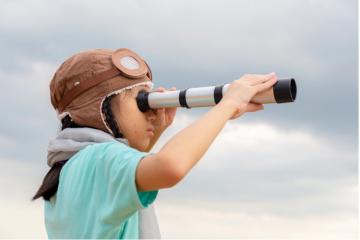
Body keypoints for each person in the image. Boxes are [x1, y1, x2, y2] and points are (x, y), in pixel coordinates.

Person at [32, 48, 278, 239]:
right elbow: (170, 166)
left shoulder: (71, 168)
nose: (150, 113)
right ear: (102, 107)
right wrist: (228, 105)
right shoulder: (98, 159)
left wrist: (154, 135)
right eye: (142, 102)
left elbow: (132, 179)